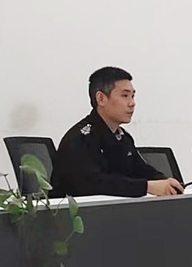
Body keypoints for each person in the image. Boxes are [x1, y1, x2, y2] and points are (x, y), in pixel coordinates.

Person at [52, 66, 184, 198]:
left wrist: (165, 181)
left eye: (133, 96)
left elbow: (140, 170)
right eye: (125, 96)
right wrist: (147, 187)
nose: (132, 103)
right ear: (101, 99)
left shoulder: (123, 138)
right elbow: (94, 184)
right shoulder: (80, 138)